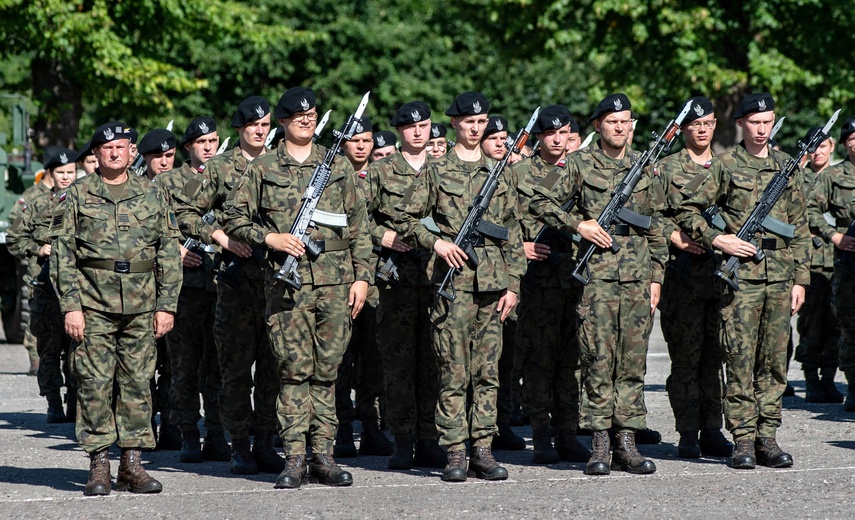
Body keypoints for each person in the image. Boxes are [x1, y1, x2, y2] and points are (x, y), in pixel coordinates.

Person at [222, 86, 373, 489]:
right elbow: (234, 217)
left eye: (312, 114)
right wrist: (269, 239)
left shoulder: (337, 165)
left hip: (336, 283)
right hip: (287, 288)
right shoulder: (263, 167)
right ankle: (293, 457)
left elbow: (360, 227)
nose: (307, 119)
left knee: (328, 374)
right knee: (293, 374)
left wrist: (362, 278)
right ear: (284, 122)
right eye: (297, 115)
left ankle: (324, 455)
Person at [530, 93, 667, 475]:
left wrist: (657, 274)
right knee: (596, 359)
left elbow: (656, 224)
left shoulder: (645, 165)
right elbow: (541, 201)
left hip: (638, 277)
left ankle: (627, 440)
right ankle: (600, 442)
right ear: (597, 126)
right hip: (598, 279)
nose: (619, 127)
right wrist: (578, 224)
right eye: (611, 121)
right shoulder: (577, 164)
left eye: (625, 120)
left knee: (632, 361)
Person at [393, 91, 525, 482]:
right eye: (468, 121)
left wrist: (513, 285)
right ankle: (455, 451)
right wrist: (436, 242)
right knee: (453, 371)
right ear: (454, 124)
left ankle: (482, 449)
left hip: (492, 283)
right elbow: (405, 218)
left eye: (481, 121)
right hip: (452, 284)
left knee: (487, 371)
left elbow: (513, 233)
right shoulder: (436, 171)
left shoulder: (499, 172)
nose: (475, 127)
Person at [677, 92, 809, 469]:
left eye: (767, 121)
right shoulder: (724, 166)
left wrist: (801, 278)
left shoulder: (788, 167)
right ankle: (744, 440)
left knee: (774, 361)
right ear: (741, 125)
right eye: (755, 122)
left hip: (780, 275)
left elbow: (798, 228)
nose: (762, 128)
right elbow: (689, 209)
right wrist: (717, 238)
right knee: (739, 358)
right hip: (741, 280)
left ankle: (768, 436)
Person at [50, 121, 182, 495]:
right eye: (107, 148)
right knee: (94, 384)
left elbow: (168, 251)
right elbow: (63, 255)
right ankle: (98, 464)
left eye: (122, 147)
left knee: (138, 383)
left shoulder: (152, 193)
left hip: (142, 305)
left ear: (132, 152)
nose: (114, 153)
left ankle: (132, 464)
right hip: (92, 304)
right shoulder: (77, 194)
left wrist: (166, 305)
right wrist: (71, 306)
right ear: (95, 153)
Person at [173, 96, 285, 475]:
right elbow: (185, 212)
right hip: (236, 283)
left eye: (265, 124)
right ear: (239, 129)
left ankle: (266, 442)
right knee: (236, 372)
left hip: (278, 282)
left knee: (273, 370)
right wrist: (219, 237)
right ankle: (239, 445)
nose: (259, 130)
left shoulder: (281, 162)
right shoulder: (220, 167)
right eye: (252, 125)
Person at [364, 102, 447, 471]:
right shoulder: (380, 171)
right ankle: (402, 440)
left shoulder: (445, 170)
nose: (419, 132)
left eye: (425, 126)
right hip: (395, 282)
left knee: (434, 362)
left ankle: (430, 438)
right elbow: (356, 218)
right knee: (398, 365)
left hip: (436, 277)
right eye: (411, 127)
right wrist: (381, 235)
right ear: (399, 131)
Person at [509, 104, 590, 464]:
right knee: (539, 358)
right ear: (539, 137)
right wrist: (519, 245)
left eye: (564, 132)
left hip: (574, 275)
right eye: (550, 133)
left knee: (570, 359)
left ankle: (568, 433)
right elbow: (504, 217)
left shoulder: (582, 169)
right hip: (537, 278)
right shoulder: (518, 173)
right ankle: (541, 435)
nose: (558, 140)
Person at [656, 96, 733, 459]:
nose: (702, 130)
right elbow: (650, 215)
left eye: (708, 124)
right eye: (695, 125)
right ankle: (688, 432)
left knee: (713, 358)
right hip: (681, 277)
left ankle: (713, 430)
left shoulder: (725, 168)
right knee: (685, 359)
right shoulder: (666, 168)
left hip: (718, 278)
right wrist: (675, 237)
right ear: (684, 129)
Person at [155, 116, 230, 464]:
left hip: (220, 284)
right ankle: (187, 433)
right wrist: (176, 251)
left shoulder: (230, 176)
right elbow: (154, 229)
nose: (210, 147)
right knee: (183, 366)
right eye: (202, 142)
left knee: (218, 366)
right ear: (188, 147)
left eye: (214, 140)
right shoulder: (167, 182)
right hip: (183, 289)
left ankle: (216, 433)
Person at [334, 116, 394, 458]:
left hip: (376, 278)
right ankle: (343, 428)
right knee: (340, 358)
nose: (361, 146)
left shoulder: (383, 174)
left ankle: (370, 425)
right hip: (340, 277)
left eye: (368, 140)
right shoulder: (331, 175)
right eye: (355, 140)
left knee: (374, 357)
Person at [7, 148, 79, 422]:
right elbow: (14, 239)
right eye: (60, 173)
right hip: (46, 287)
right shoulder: (35, 202)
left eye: (71, 172)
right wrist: (39, 249)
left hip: (75, 288)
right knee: (49, 349)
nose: (66, 177)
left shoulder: (84, 199)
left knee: (76, 350)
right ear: (50, 173)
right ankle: (53, 403)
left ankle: (74, 402)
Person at [807, 116, 855, 411]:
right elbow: (810, 209)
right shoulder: (833, 176)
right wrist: (834, 235)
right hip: (849, 263)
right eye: (852, 139)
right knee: (849, 326)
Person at [796, 127, 842, 403]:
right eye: (813, 147)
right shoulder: (797, 179)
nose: (818, 152)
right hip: (809, 261)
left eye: (823, 146)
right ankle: (811, 379)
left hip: (836, 260)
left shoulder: (840, 176)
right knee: (810, 322)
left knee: (835, 322)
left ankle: (829, 378)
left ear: (832, 146)